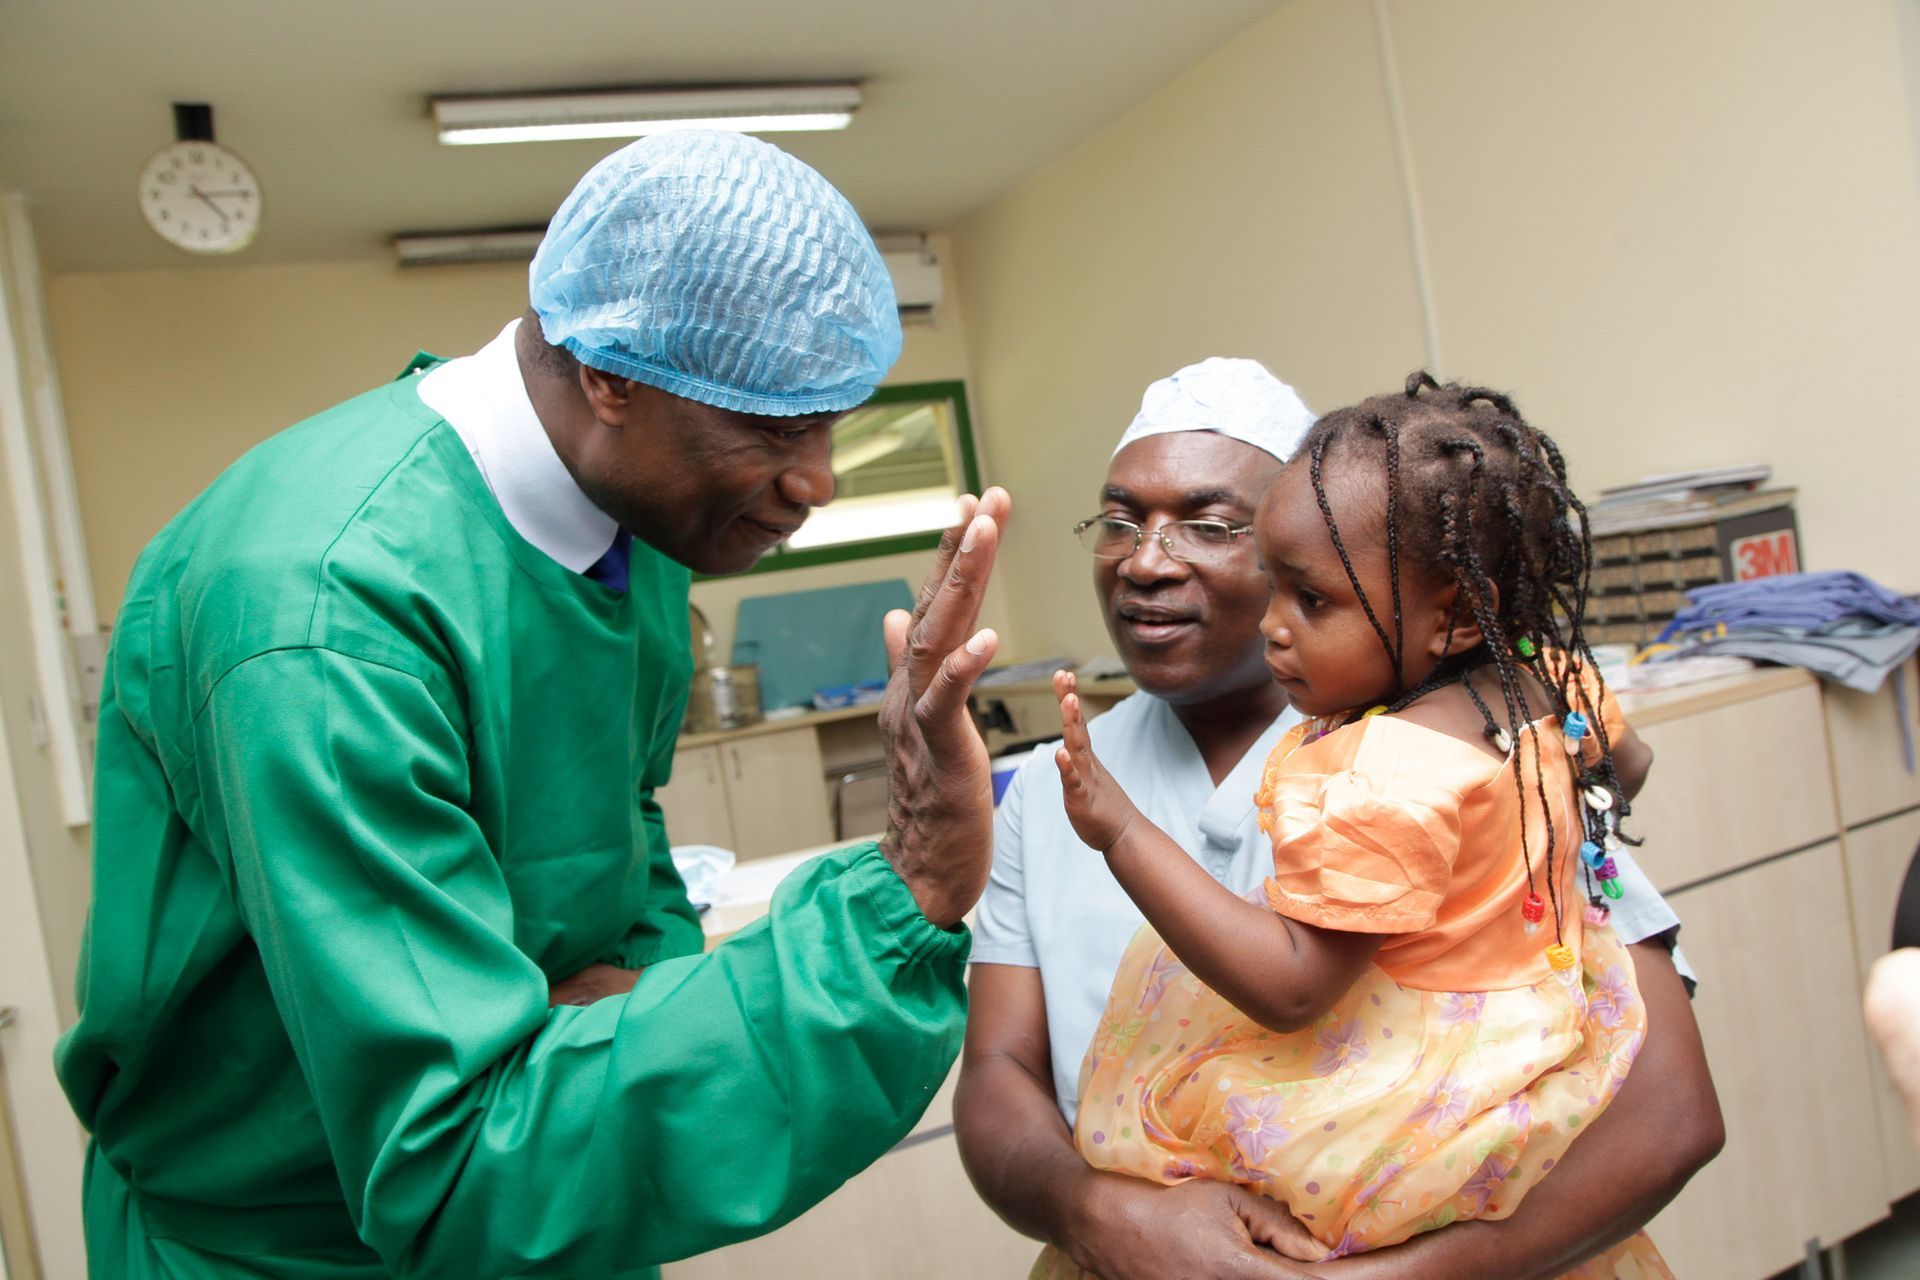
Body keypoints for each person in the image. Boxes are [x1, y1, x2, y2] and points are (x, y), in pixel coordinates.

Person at [56, 130, 1011, 1280]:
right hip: (296, 1241)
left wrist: (633, 1008)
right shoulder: (324, 612)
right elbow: (453, 1161)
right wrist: (904, 890)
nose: (819, 479)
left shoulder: (634, 523)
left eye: (830, 422)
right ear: (608, 375)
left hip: (563, 1170)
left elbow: (620, 819)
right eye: (768, 425)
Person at [956, 359, 1723, 1279]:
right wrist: (1097, 1215)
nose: (1146, 560)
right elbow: (998, 1071)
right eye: (1120, 521)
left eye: (1209, 525)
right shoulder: (1050, 789)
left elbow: (1674, 1113)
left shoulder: (1466, 749)